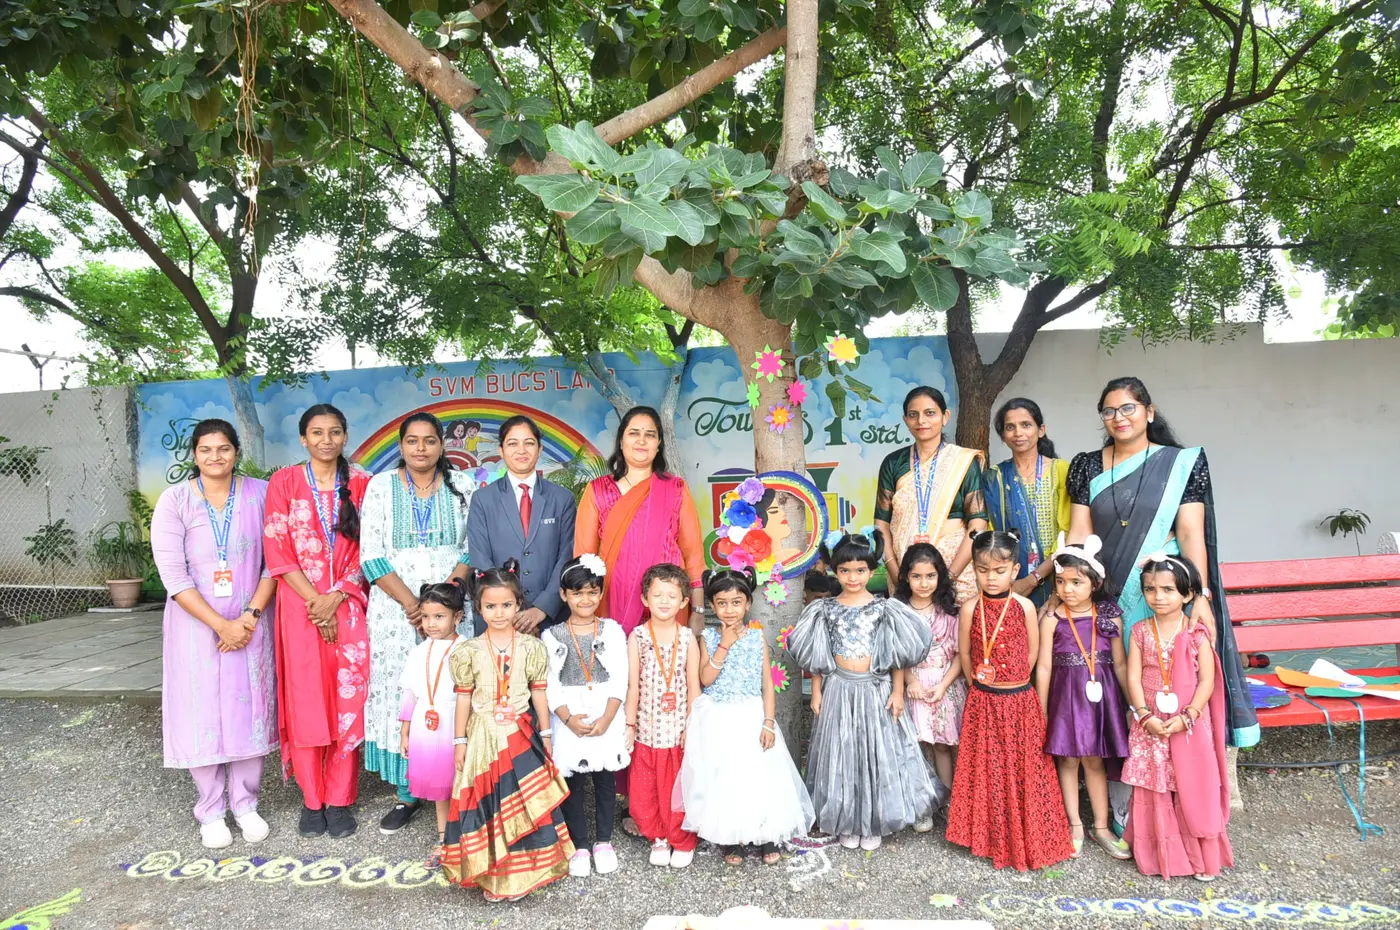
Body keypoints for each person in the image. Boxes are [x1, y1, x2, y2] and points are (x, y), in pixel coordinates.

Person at [1065, 377, 1257, 750]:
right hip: (1106, 594)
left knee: (1164, 679)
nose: (1119, 417)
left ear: (1148, 412)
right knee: (1114, 683)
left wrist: (1199, 594)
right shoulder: (1086, 466)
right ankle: (1125, 782)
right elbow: (1079, 534)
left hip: (1160, 594)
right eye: (1109, 411)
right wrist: (1074, 591)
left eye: (1128, 408)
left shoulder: (1181, 464)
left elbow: (1189, 534)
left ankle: (1180, 774)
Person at [151, 418, 277, 849]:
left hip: (251, 619)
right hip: (194, 625)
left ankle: (245, 804)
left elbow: (274, 561)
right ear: (194, 454)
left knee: (247, 705)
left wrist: (248, 617)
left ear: (236, 452)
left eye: (224, 448)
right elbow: (173, 574)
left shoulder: (260, 494)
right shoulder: (175, 501)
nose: (215, 457)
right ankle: (210, 810)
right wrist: (220, 624)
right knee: (200, 709)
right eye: (206, 450)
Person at [786, 533, 947, 852]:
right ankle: (847, 820)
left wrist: (898, 691)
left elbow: (896, 654)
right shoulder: (824, 609)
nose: (853, 576)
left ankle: (872, 819)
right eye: (845, 570)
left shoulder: (884, 608)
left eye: (860, 570)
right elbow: (819, 655)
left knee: (875, 754)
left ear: (871, 570)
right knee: (843, 754)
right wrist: (816, 691)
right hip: (839, 690)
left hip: (877, 690)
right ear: (834, 571)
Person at [360, 412, 477, 835]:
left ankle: (457, 787)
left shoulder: (463, 485)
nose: (421, 449)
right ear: (401, 445)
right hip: (396, 611)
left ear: (442, 445)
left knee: (451, 691)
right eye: (412, 441)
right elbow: (371, 554)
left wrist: (444, 599)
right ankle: (408, 794)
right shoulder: (380, 487)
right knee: (406, 691)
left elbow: (471, 545)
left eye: (430, 441)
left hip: (452, 606)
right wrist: (415, 604)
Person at [263, 404, 372, 839]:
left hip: (349, 603)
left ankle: (341, 798)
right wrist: (316, 603)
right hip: (299, 608)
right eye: (316, 432)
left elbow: (373, 548)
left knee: (347, 700)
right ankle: (312, 800)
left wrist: (336, 597)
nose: (325, 440)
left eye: (334, 432)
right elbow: (278, 550)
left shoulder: (363, 484)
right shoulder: (284, 482)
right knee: (307, 703)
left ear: (346, 436)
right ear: (303, 439)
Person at [442, 560, 573, 901]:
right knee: (488, 805)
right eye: (490, 606)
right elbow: (463, 699)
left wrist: (546, 735)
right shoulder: (468, 651)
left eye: (506, 605)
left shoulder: (531, 646)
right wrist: (459, 742)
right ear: (478, 607)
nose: (498, 613)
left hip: (520, 734)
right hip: (483, 737)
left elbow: (539, 693)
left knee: (522, 804)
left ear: (519, 605)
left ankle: (524, 873)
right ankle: (494, 876)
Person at [945, 530, 1073, 871]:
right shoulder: (970, 608)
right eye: (983, 570)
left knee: (1023, 771)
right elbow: (966, 653)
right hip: (983, 701)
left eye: (999, 570)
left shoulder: (1025, 606)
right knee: (987, 770)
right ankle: (989, 838)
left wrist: (1015, 685)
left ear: (1015, 569)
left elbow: (1032, 652)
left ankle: (1027, 837)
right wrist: (982, 684)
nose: (991, 577)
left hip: (1019, 700)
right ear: (973, 569)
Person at [680, 568, 815, 866]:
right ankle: (733, 836)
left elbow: (767, 684)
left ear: (747, 604)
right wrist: (724, 645)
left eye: (736, 602)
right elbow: (706, 678)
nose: (730, 609)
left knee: (759, 774)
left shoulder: (756, 637)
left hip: (752, 715)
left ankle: (766, 832)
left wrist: (768, 722)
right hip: (720, 717)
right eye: (723, 603)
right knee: (727, 776)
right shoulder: (709, 639)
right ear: (713, 606)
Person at [1122, 554, 1233, 882]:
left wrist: (1190, 716)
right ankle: (1157, 854)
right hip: (1151, 724)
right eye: (1151, 589)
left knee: (1190, 786)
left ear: (1188, 594)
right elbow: (1132, 677)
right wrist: (1143, 716)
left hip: (1189, 727)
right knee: (1156, 786)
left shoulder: (1197, 634)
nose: (1158, 597)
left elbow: (1207, 682)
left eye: (1168, 590)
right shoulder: (1140, 632)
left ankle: (1199, 857)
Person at [1034, 534, 1131, 861]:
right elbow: (1044, 666)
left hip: (1100, 699)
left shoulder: (1109, 615)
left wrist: (1132, 705)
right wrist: (1043, 708)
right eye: (1060, 582)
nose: (1067, 589)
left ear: (1095, 582)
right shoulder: (1051, 619)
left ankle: (1101, 826)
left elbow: (1119, 663)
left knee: (1095, 760)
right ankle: (1074, 824)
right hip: (1065, 699)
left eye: (1077, 582)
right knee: (1068, 759)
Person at [576, 407, 706, 636]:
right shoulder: (597, 490)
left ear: (659, 444)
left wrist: (698, 611)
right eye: (634, 433)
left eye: (650, 434)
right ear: (621, 440)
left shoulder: (675, 489)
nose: (642, 441)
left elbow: (694, 557)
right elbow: (584, 559)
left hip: (667, 605)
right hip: (612, 604)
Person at [544, 555, 630, 879]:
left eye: (593, 592)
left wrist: (608, 718)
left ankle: (604, 842)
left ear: (600, 593)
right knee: (573, 783)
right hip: (570, 716)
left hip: (606, 713)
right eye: (578, 593)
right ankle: (580, 844)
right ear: (564, 595)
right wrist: (567, 718)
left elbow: (620, 677)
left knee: (606, 780)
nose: (586, 599)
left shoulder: (613, 631)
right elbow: (550, 683)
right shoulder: (552, 636)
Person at [875, 387, 987, 605]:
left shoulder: (962, 462)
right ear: (905, 419)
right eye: (913, 414)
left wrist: (950, 576)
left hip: (957, 573)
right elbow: (881, 524)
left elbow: (978, 522)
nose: (921, 421)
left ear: (945, 417)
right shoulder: (893, 463)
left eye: (930, 413)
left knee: (956, 635)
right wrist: (898, 574)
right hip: (907, 573)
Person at [465, 415, 576, 635]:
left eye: (529, 443)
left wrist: (541, 609)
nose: (521, 450)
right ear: (501, 450)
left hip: (551, 620)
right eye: (513, 443)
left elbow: (567, 556)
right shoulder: (482, 499)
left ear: (540, 449)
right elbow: (480, 558)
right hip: (497, 621)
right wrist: (508, 611)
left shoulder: (562, 499)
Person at [624, 563, 702, 868]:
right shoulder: (638, 637)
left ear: (684, 601)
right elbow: (633, 685)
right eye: (658, 595)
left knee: (676, 788)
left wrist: (690, 726)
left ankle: (681, 839)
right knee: (645, 789)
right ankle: (657, 837)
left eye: (672, 595)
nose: (665, 601)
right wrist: (630, 725)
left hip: (676, 731)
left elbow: (694, 685)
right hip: (646, 729)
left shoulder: (687, 638)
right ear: (645, 599)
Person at [397, 581, 469, 862]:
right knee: (441, 786)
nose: (431, 623)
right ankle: (444, 838)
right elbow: (409, 694)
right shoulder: (419, 651)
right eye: (426, 617)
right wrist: (405, 732)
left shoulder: (467, 649)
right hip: (426, 727)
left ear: (458, 617)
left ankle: (467, 837)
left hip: (456, 722)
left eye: (439, 616)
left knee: (462, 781)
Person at [893, 542, 965, 808]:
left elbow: (960, 654)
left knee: (943, 745)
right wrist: (910, 681)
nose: (924, 583)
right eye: (916, 576)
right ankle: (921, 804)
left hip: (945, 686)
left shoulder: (950, 611)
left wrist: (945, 684)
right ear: (905, 577)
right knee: (917, 745)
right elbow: (895, 654)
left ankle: (948, 801)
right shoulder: (898, 611)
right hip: (914, 686)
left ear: (940, 577)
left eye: (930, 576)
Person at [984, 398, 1071, 606]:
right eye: (1010, 427)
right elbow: (991, 533)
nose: (1018, 433)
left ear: (1041, 430)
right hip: (1011, 580)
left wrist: (1035, 578)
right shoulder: (994, 478)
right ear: (1003, 436)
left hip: (1060, 579)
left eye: (1026, 425)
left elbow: (1070, 532)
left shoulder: (1062, 471)